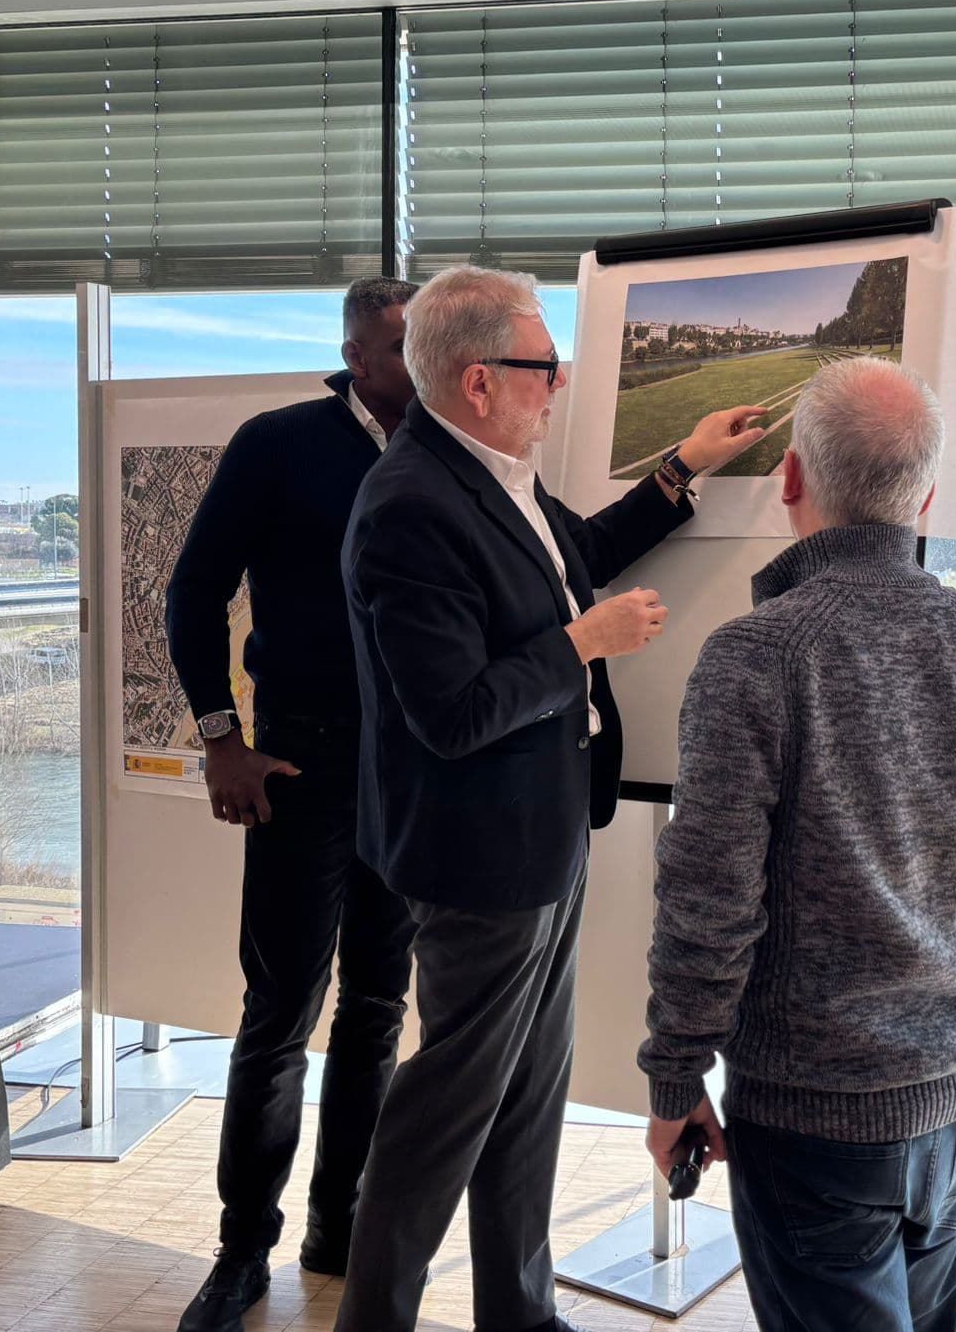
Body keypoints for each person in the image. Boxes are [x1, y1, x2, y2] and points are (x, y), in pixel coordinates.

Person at [334, 265, 769, 1332]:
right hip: (479, 858)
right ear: (478, 380)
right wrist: (582, 644)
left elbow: (581, 555)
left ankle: (519, 1314)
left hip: (543, 831)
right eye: (544, 366)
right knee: (444, 1115)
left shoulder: (491, 472)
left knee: (528, 1095)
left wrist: (684, 466)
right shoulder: (409, 505)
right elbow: (450, 713)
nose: (561, 383)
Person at [640, 356, 956, 1332]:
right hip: (953, 1095)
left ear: (790, 477)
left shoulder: (757, 655)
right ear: (927, 496)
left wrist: (674, 1077)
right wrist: (951, 1001)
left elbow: (709, 899)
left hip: (810, 1111)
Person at [164, 278, 423, 1332]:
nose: (430, 363)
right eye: (406, 346)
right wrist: (220, 739)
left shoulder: (449, 450)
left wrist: (676, 475)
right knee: (277, 1015)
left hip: (407, 774)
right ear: (357, 356)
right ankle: (241, 1254)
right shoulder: (278, 443)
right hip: (299, 767)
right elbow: (192, 591)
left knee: (376, 1008)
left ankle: (336, 1226)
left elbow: (563, 546)